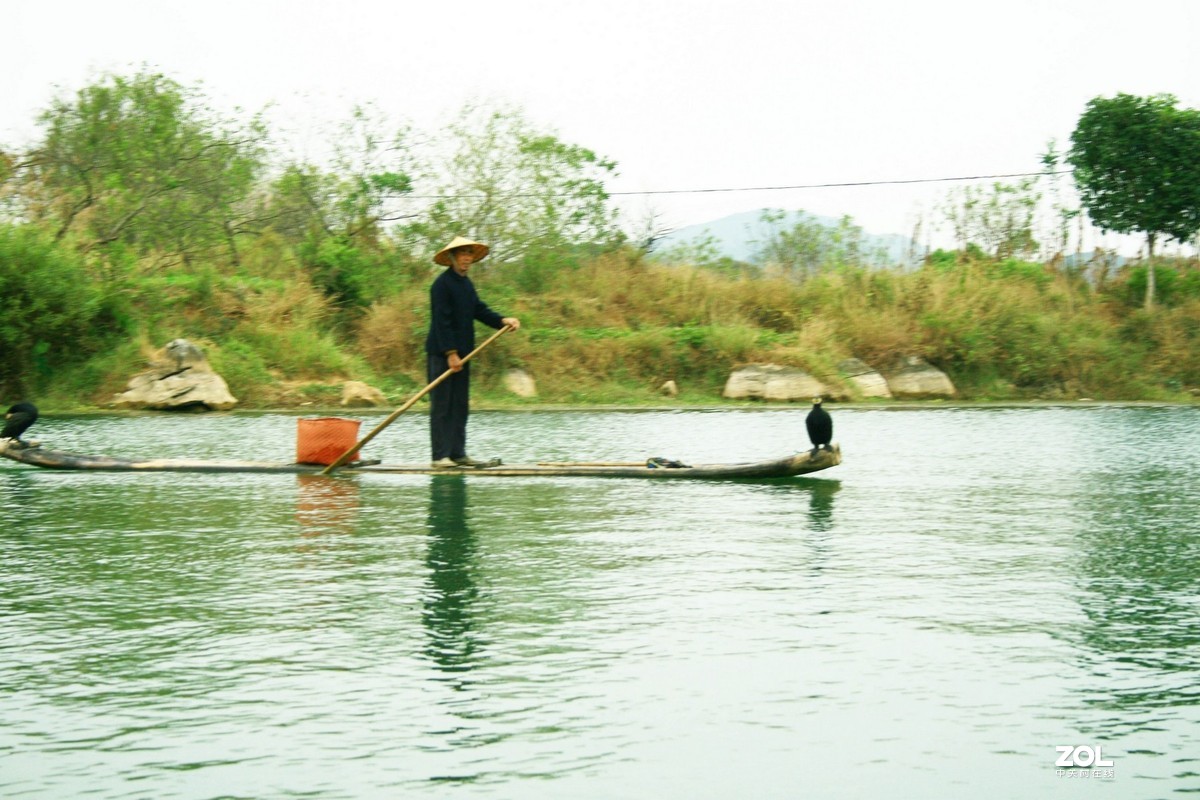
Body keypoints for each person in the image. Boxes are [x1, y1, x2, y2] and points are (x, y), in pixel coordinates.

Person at [425, 236, 521, 468]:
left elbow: (478, 309)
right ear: (452, 258)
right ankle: (440, 457)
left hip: (464, 356)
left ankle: (457, 453)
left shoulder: (466, 285)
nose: (466, 258)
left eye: (469, 254)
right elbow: (442, 322)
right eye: (462, 254)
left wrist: (501, 320)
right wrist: (450, 353)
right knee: (442, 406)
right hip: (442, 355)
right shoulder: (441, 285)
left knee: (460, 405)